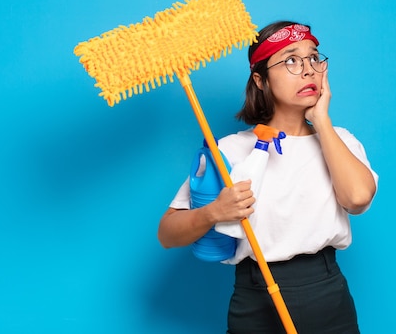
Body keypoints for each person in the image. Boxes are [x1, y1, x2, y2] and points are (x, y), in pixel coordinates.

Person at [158, 21, 379, 333]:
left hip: (328, 292)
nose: (308, 70)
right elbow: (167, 233)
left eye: (314, 58)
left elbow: (357, 198)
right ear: (260, 80)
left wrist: (321, 121)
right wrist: (214, 212)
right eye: (290, 60)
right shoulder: (231, 151)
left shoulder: (340, 141)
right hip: (256, 298)